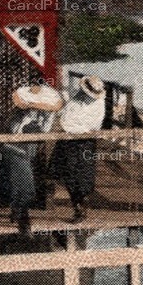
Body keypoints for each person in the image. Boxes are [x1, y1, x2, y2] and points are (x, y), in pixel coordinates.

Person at [0, 85, 61, 235]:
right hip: (12, 149)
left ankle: (17, 212)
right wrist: (28, 121)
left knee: (20, 183)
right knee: (26, 186)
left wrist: (47, 115)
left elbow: (44, 132)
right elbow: (14, 130)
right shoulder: (19, 114)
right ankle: (23, 221)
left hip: (26, 152)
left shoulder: (45, 115)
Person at [53, 75, 106, 222]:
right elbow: (65, 118)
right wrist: (72, 125)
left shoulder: (98, 104)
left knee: (84, 174)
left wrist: (73, 126)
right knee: (68, 172)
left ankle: (81, 207)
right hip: (69, 140)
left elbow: (92, 126)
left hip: (85, 142)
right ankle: (76, 205)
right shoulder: (77, 98)